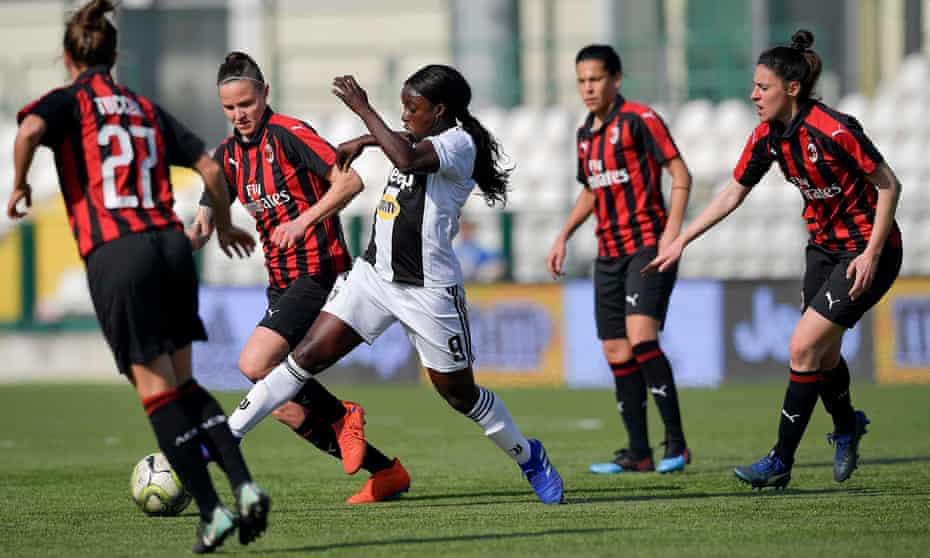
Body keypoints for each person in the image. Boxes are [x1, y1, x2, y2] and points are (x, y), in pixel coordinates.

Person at [223, 64, 564, 504]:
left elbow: (407, 158)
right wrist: (365, 141)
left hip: (427, 289)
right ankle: (225, 439)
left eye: (412, 107)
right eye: (402, 106)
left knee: (459, 395)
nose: (404, 114)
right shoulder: (423, 137)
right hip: (373, 278)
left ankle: (528, 456)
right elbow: (404, 144)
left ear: (440, 110)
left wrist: (364, 111)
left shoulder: (458, 143)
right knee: (303, 358)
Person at [5, 1, 270, 552]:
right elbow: (211, 167)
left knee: (157, 393)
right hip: (171, 245)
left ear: (68, 57)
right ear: (115, 55)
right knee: (186, 385)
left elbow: (28, 129)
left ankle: (214, 512)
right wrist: (223, 224)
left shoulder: (69, 101)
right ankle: (244, 487)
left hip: (117, 252)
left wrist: (20, 183)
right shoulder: (144, 107)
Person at [646, 30, 902, 489]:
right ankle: (846, 425)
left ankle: (780, 460)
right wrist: (682, 239)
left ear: (792, 88)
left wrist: (872, 253)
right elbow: (733, 193)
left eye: (762, 87)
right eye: (754, 86)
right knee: (823, 355)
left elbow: (889, 184)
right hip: (822, 249)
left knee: (802, 347)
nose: (753, 95)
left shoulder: (834, 130)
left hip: (867, 251)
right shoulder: (766, 137)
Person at [188, 51, 409, 504]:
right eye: (229, 108)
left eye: (246, 104)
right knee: (281, 405)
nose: (239, 114)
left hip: (320, 270)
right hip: (281, 282)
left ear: (265, 94)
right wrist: (178, 242)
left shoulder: (289, 134)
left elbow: (349, 183)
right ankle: (386, 471)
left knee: (254, 365)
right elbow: (205, 218)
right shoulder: (227, 155)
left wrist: (303, 220)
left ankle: (344, 413)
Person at [547, 44, 693, 474]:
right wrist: (563, 234)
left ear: (616, 79)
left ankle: (677, 444)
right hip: (607, 254)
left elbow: (680, 173)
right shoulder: (585, 134)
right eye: (581, 81)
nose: (588, 88)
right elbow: (592, 190)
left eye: (595, 79)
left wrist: (672, 235)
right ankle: (639, 453)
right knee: (615, 349)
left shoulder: (640, 119)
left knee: (642, 338)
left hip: (647, 246)